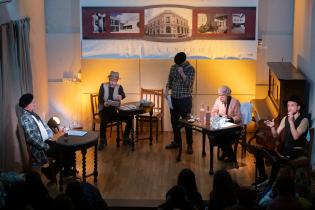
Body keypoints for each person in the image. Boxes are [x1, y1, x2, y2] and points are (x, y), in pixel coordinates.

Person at [254, 95, 309, 186]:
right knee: (259, 152)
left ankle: (270, 185)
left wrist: (291, 122)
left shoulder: (304, 120)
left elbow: (295, 137)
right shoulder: (285, 118)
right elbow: (276, 135)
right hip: (285, 149)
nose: (289, 108)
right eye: (288, 105)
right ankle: (263, 176)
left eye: (292, 105)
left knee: (276, 161)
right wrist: (272, 127)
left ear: (298, 107)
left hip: (295, 150)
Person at [18, 93, 61, 181]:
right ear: (27, 104)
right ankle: (50, 171)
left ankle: (56, 170)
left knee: (65, 148)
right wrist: (46, 146)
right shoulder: (25, 118)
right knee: (63, 152)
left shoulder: (33, 114)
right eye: (33, 102)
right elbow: (31, 138)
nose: (35, 103)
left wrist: (51, 136)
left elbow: (45, 126)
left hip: (47, 141)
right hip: (40, 147)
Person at [164, 52, 195, 154]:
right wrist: (166, 89)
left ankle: (189, 145)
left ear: (184, 61)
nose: (178, 66)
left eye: (180, 64)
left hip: (185, 100)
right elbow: (170, 80)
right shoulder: (173, 67)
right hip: (173, 99)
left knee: (188, 123)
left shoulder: (190, 69)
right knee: (174, 121)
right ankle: (177, 142)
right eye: (177, 64)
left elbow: (189, 85)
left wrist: (182, 74)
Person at [98, 71, 132, 150]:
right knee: (103, 121)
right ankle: (102, 141)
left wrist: (121, 96)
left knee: (129, 119)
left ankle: (126, 138)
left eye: (115, 81)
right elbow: (100, 98)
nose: (113, 82)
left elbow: (123, 95)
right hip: (105, 110)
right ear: (109, 79)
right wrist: (104, 103)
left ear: (117, 80)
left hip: (115, 111)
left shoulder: (119, 87)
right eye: (112, 80)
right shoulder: (103, 86)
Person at [210, 85, 242, 161]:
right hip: (222, 127)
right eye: (219, 95)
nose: (220, 97)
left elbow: (239, 117)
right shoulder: (218, 100)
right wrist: (218, 115)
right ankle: (228, 153)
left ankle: (229, 154)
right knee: (214, 134)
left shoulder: (235, 102)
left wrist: (229, 119)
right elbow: (213, 112)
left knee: (221, 135)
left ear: (227, 95)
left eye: (222, 95)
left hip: (234, 128)